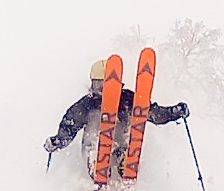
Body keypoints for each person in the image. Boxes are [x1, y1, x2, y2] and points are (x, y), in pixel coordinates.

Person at [44, 59, 189, 178]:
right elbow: (70, 125)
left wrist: (173, 112)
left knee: (122, 137)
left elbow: (152, 112)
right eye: (98, 85)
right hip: (94, 143)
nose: (101, 90)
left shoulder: (126, 99)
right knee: (94, 123)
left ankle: (123, 161)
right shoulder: (87, 104)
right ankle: (96, 162)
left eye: (105, 85)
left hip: (120, 141)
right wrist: (58, 140)